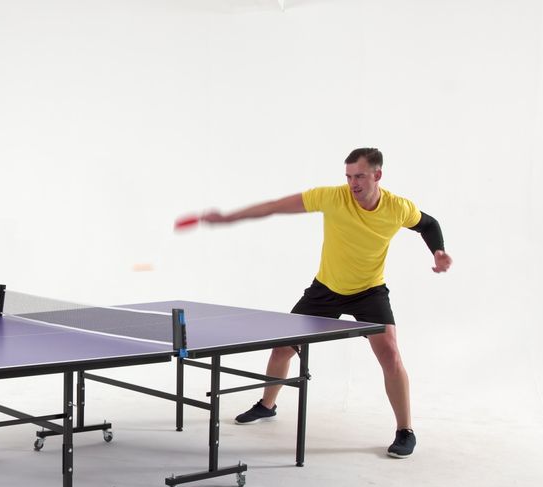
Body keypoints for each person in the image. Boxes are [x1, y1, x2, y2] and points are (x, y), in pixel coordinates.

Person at [191, 148, 451, 459]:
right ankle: (267, 405)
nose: (353, 183)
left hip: (370, 291)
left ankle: (405, 430)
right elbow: (275, 207)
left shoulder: (398, 207)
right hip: (325, 289)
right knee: (283, 347)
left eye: (360, 176)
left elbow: (429, 224)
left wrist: (438, 251)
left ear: (377, 175)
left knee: (391, 354)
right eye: (349, 176)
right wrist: (228, 217)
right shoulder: (332, 197)